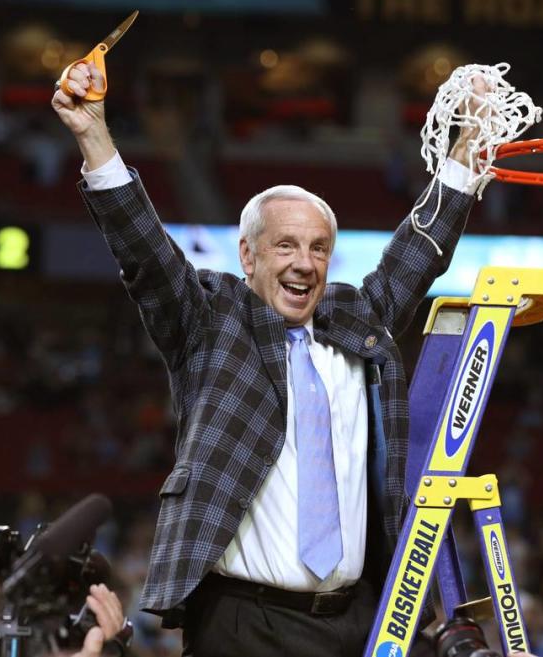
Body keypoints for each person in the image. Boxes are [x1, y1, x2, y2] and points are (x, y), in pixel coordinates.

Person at [52, 62, 488, 656]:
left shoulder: (357, 322)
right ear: (248, 256)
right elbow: (147, 255)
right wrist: (93, 137)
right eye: (285, 245)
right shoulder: (212, 322)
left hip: (356, 621)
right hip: (241, 625)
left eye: (318, 248)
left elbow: (417, 256)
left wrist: (468, 150)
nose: (304, 263)